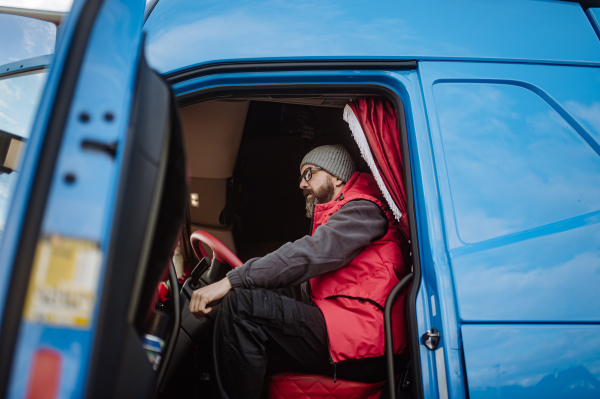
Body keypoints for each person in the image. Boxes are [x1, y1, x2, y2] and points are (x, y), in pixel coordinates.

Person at [189, 144, 410, 399]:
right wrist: (251, 283)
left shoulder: (364, 210)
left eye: (309, 174)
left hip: (369, 343)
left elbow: (310, 252)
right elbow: (300, 281)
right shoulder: (343, 216)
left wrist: (232, 280)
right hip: (347, 332)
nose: (302, 185)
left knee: (242, 306)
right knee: (246, 305)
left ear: (336, 176)